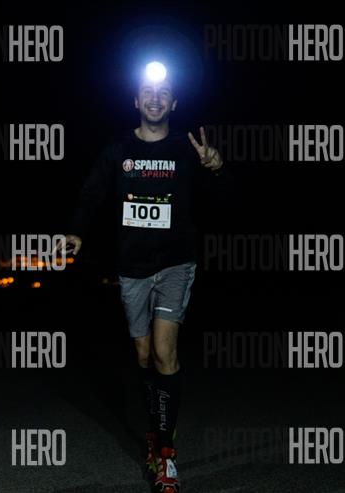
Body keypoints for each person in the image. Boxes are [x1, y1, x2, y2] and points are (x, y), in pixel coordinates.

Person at [57, 63, 223, 493]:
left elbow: (219, 201)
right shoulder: (118, 150)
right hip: (131, 268)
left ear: (173, 103)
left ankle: (165, 454)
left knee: (165, 352)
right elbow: (92, 193)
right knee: (145, 355)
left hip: (175, 263)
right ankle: (156, 428)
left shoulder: (188, 148)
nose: (155, 98)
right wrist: (76, 231)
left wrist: (214, 167)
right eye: (147, 92)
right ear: (136, 101)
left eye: (163, 92)